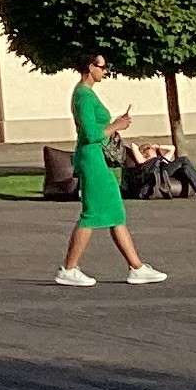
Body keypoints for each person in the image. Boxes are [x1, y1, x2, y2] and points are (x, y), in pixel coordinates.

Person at [56, 55, 167, 286]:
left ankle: (136, 267)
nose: (105, 71)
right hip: (92, 158)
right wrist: (116, 126)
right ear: (90, 67)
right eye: (102, 67)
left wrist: (115, 124)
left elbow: (96, 128)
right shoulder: (83, 95)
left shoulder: (87, 93)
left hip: (97, 158)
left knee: (115, 211)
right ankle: (69, 268)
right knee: (92, 213)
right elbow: (90, 134)